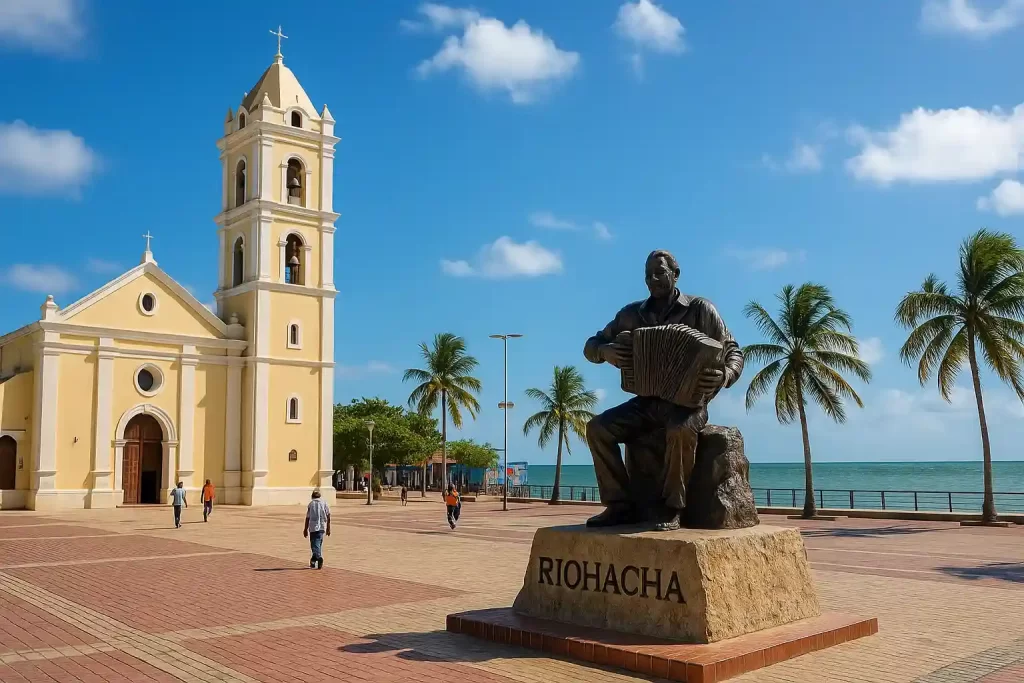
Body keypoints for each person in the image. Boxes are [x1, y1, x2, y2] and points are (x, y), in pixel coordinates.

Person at [583, 249, 744, 531]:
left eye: (659, 273)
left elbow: (733, 351)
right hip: (646, 403)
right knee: (597, 428)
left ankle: (672, 507)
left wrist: (725, 375)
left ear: (675, 274)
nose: (653, 280)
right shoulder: (631, 315)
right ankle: (620, 505)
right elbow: (591, 346)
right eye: (648, 275)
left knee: (680, 429)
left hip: (688, 403)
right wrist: (605, 351)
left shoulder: (700, 310)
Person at [303, 489, 331, 569]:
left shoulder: (311, 504)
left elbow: (307, 517)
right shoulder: (324, 503)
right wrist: (328, 528)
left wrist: (305, 529)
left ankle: (319, 557)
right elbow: (328, 515)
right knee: (318, 543)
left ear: (312, 496)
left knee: (314, 544)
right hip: (322, 526)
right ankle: (313, 560)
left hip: (313, 527)